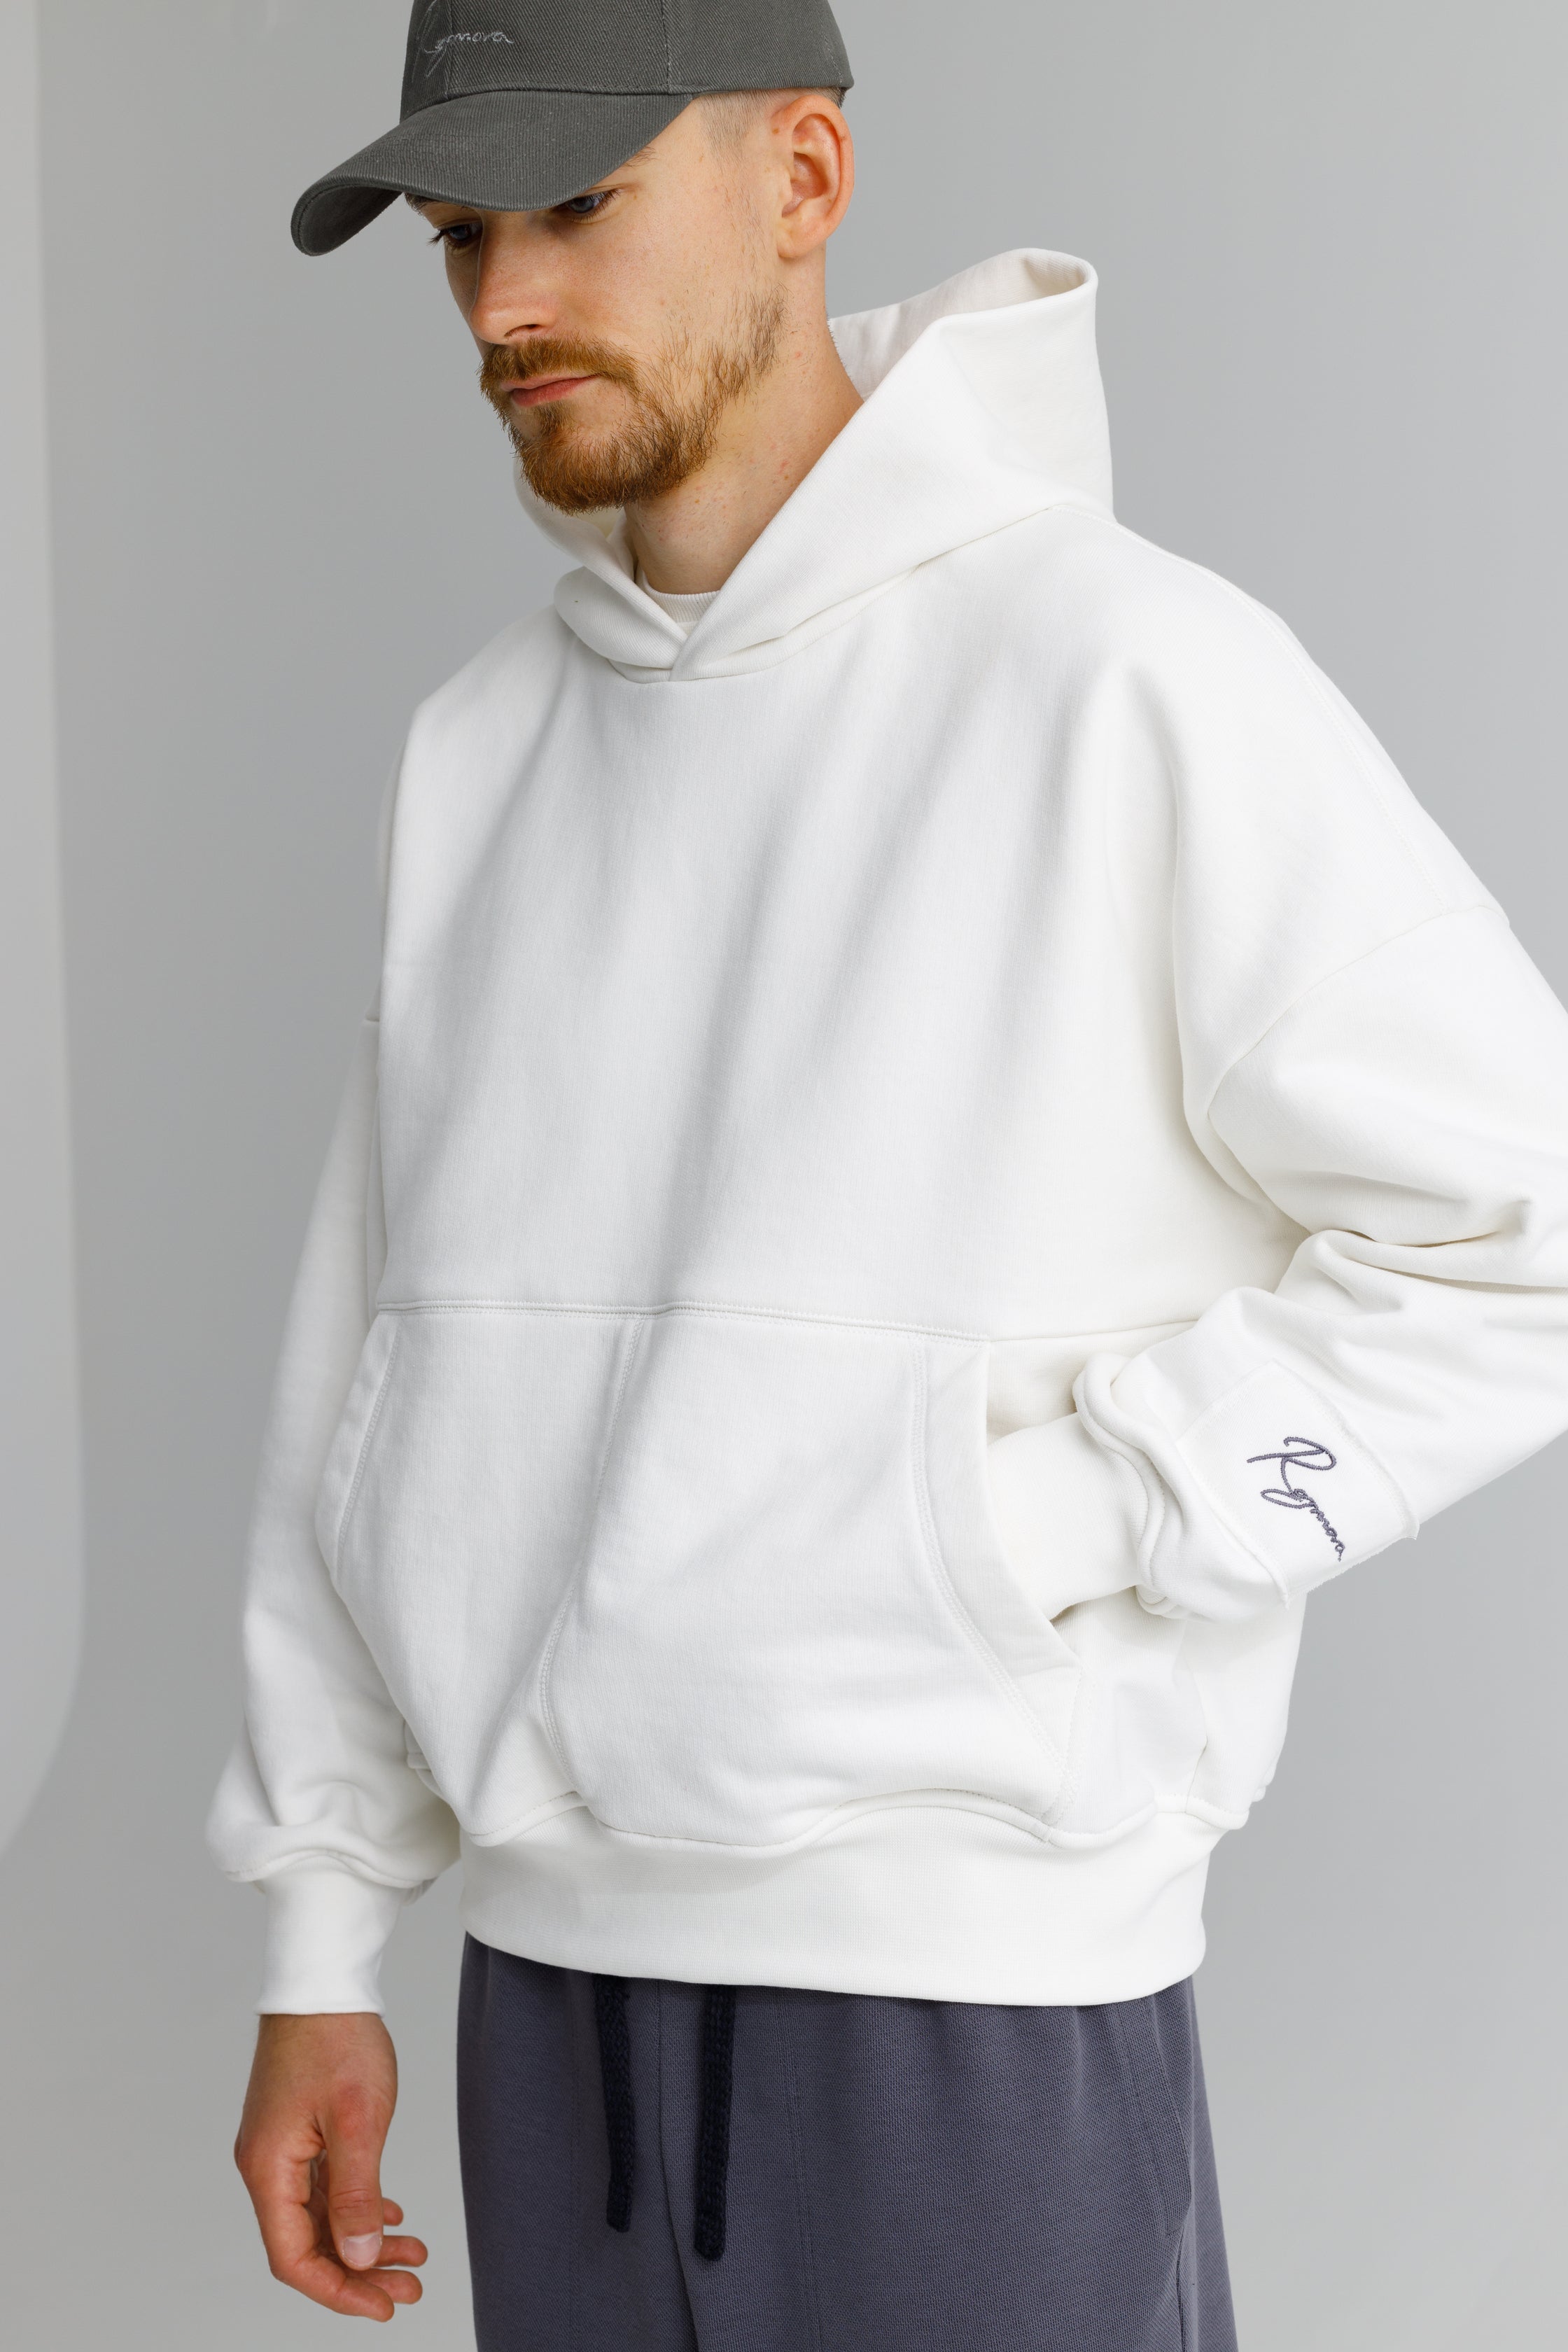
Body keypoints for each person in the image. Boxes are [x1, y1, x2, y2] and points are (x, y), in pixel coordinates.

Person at [209, 3, 1568, 2344]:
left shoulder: (1126, 675)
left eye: (576, 203)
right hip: (548, 2008)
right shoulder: (483, 751)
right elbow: (371, 1350)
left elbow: (1526, 1238)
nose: (504, 298)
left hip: (972, 2012)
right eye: (456, 234)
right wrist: (321, 1934)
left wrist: (1040, 1533)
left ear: (805, 178)